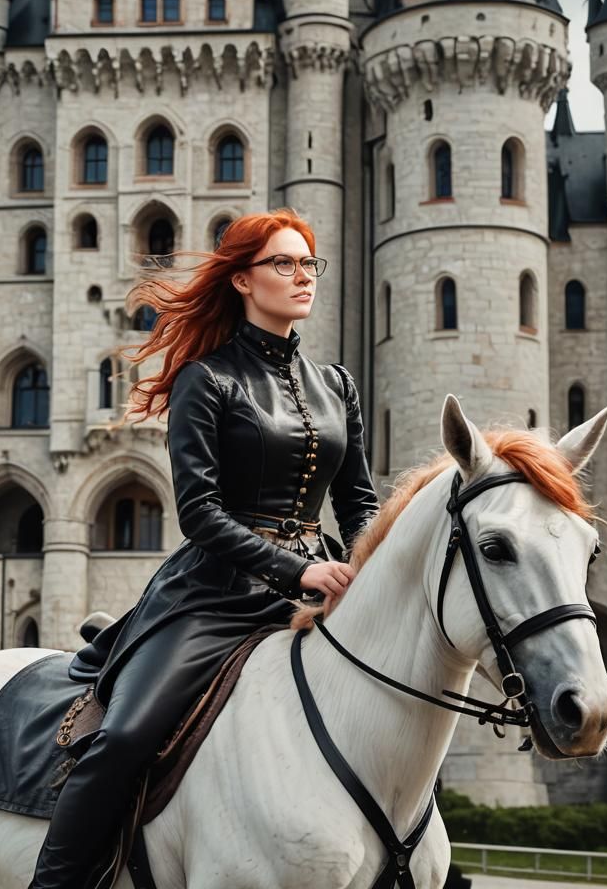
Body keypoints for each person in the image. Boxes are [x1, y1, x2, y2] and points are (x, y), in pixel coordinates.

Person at [27, 209, 379, 889]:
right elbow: (199, 514)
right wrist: (297, 567)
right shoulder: (205, 378)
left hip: (323, 584)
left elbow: (359, 500)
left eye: (310, 264)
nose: (302, 276)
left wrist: (369, 565)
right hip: (216, 593)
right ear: (244, 279)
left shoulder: (337, 386)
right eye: (285, 263)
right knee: (126, 736)